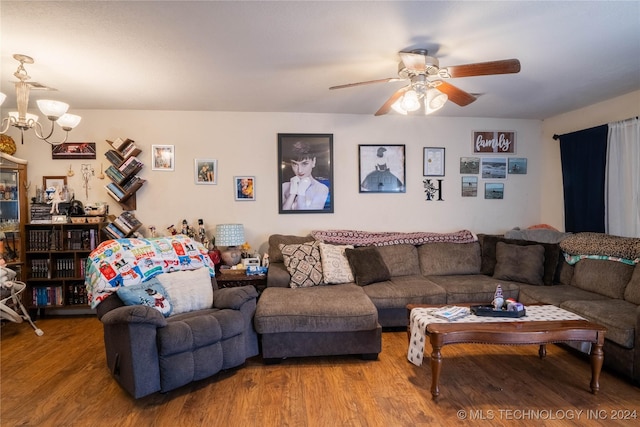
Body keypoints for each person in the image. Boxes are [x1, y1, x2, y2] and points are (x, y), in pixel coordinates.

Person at [281, 141, 329, 210]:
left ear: (313, 162)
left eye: (304, 164)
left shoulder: (321, 189)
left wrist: (301, 192)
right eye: (295, 164)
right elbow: (281, 216)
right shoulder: (284, 186)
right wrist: (292, 194)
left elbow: (309, 217)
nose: (299, 170)